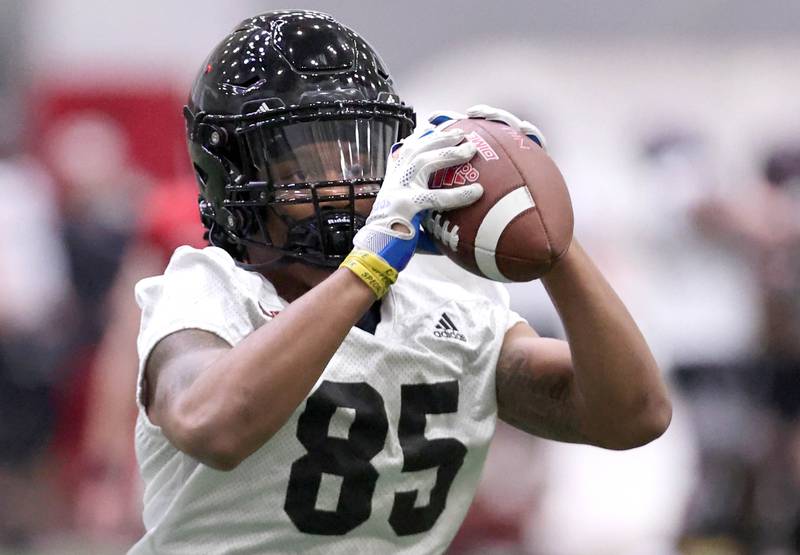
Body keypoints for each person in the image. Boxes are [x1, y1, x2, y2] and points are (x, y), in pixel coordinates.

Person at [129, 10, 671, 554]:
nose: (340, 187)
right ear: (232, 178)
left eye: (356, 158)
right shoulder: (205, 289)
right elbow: (212, 424)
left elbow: (633, 416)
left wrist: (549, 237)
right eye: (304, 169)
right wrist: (367, 266)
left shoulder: (448, 311)